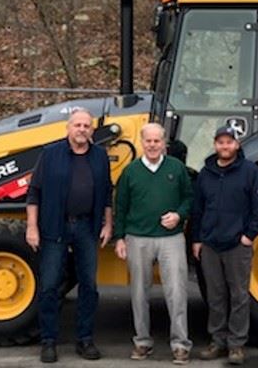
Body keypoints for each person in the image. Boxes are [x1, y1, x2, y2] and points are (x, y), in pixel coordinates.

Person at [25, 107, 113, 364]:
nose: (82, 130)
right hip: (54, 227)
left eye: (86, 126)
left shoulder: (100, 156)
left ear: (92, 130)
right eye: (78, 125)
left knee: (89, 286)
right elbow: (34, 192)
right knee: (51, 285)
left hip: (87, 228)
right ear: (68, 128)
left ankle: (85, 340)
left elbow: (106, 192)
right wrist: (32, 227)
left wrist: (108, 225)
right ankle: (49, 341)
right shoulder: (50, 154)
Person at [113, 123, 193, 365]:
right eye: (148, 141)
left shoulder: (177, 168)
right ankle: (142, 342)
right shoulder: (130, 172)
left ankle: (180, 345)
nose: (152, 145)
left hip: (171, 239)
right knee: (139, 293)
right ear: (141, 141)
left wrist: (179, 215)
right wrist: (120, 237)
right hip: (138, 238)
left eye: (157, 141)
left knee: (177, 292)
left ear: (164, 143)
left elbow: (189, 198)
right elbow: (121, 206)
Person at [191, 126, 258, 366]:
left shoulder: (250, 172)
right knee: (215, 296)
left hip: (237, 245)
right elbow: (198, 209)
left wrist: (250, 235)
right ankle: (217, 341)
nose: (225, 146)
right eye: (220, 142)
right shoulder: (206, 173)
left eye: (229, 142)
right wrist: (197, 239)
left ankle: (236, 344)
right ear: (215, 145)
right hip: (210, 245)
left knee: (238, 295)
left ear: (237, 145)